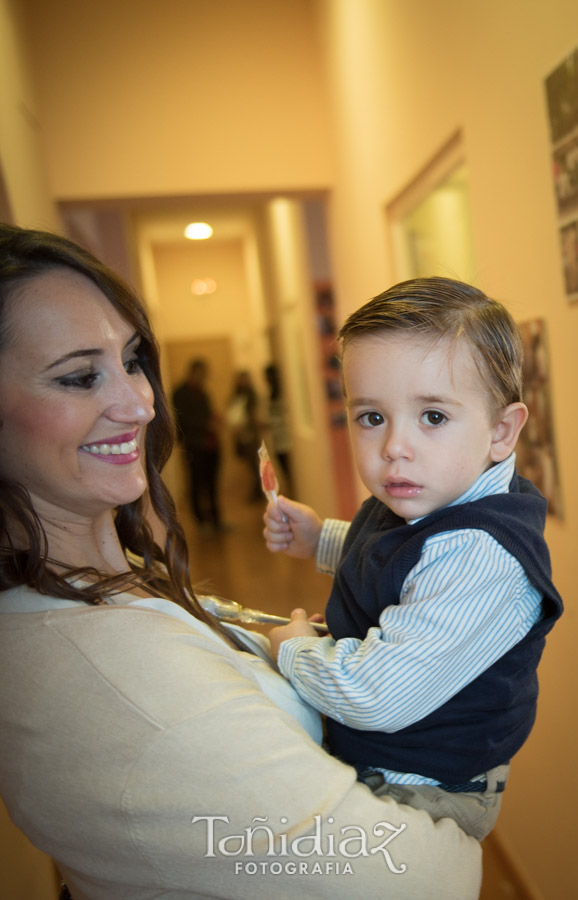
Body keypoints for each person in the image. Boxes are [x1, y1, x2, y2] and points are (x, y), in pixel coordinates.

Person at [0, 227, 481, 900]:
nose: (141, 403)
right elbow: (420, 882)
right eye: (80, 377)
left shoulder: (106, 585)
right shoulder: (110, 676)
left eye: (133, 360)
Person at [264, 277, 563, 841]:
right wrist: (321, 538)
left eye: (433, 417)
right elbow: (407, 561)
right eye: (371, 417)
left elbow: (377, 696)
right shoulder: (430, 495)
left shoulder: (483, 556)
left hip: (418, 790)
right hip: (385, 763)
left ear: (501, 431)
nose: (394, 447)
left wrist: (295, 651)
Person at [172, 358, 223, 533]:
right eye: (200, 373)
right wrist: (205, 424)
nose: (203, 377)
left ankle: (216, 520)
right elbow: (182, 421)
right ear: (193, 372)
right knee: (196, 484)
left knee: (212, 484)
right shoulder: (180, 393)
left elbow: (208, 414)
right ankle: (201, 523)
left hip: (211, 445)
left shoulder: (203, 392)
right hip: (194, 446)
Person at [227, 370, 263, 501]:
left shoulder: (251, 396)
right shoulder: (236, 397)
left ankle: (258, 490)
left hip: (251, 435)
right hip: (242, 435)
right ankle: (257, 490)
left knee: (255, 465)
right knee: (251, 465)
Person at [263, 363, 293, 493]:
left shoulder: (282, 394)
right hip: (278, 440)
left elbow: (284, 416)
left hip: (285, 439)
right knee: (285, 470)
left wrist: (270, 422)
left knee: (290, 471)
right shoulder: (271, 393)